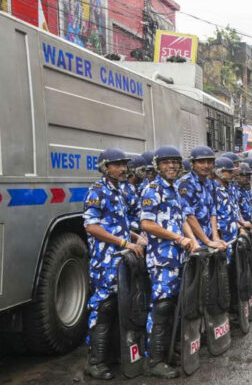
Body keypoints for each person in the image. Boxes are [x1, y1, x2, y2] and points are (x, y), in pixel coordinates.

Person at [83, 148, 145, 380]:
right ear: (104, 168)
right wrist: (122, 242)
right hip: (105, 261)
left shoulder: (119, 191)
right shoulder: (97, 191)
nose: (122, 169)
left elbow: (118, 222)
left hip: (120, 259)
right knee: (103, 307)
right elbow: (92, 226)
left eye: (123, 165)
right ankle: (95, 362)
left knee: (119, 305)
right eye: (116, 165)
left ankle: (112, 356)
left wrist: (134, 236)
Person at [140, 145, 196, 378]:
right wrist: (178, 238)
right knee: (161, 307)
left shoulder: (175, 190)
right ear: (158, 166)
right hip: (161, 259)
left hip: (179, 257)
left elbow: (182, 218)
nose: (172, 166)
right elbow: (147, 224)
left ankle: (166, 353)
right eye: (166, 162)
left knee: (174, 305)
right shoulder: (152, 190)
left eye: (175, 162)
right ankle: (154, 361)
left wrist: (192, 241)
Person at [176, 146, 227, 252]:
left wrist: (215, 237)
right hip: (193, 243)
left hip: (209, 240)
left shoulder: (210, 183)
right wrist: (207, 241)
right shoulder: (185, 183)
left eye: (209, 162)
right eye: (201, 162)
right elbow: (188, 216)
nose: (206, 166)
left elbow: (213, 211)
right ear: (193, 164)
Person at [212, 157, 241, 262]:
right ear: (219, 172)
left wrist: (240, 225)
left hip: (231, 236)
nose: (232, 174)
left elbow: (234, 210)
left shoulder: (227, 188)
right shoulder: (213, 189)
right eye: (228, 172)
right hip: (221, 237)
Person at [120, 155, 148, 233]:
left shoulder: (135, 188)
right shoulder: (124, 191)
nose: (145, 174)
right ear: (132, 171)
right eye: (142, 170)